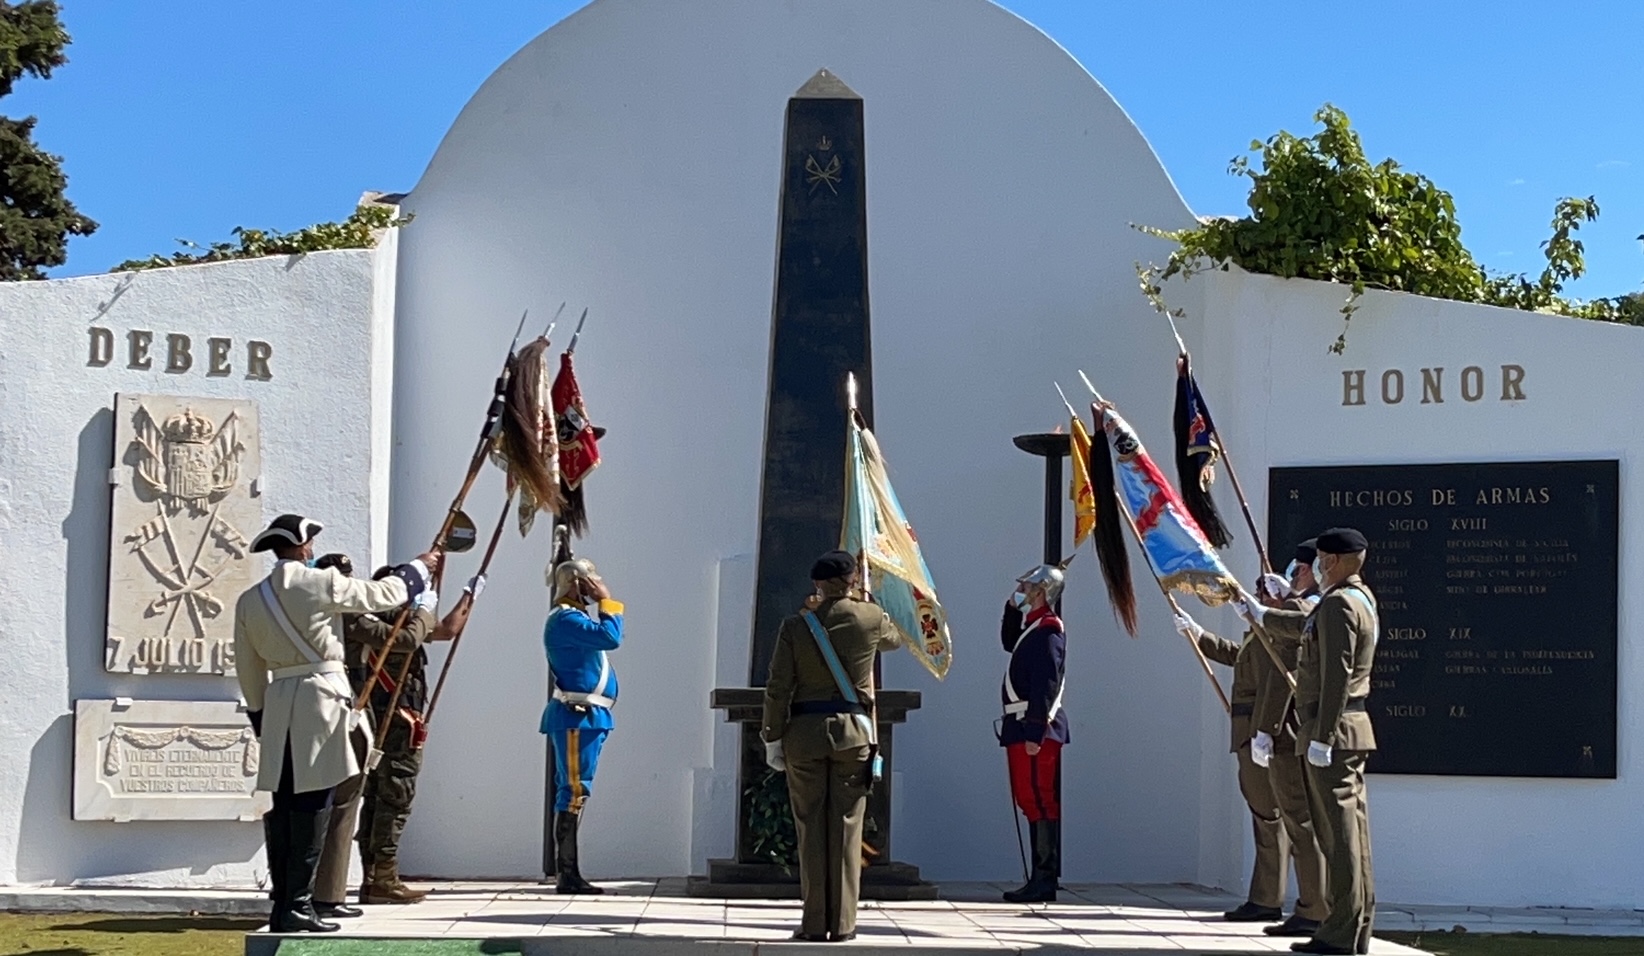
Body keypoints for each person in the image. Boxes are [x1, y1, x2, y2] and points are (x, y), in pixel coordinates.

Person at [234, 514, 438, 934]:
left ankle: (286, 903)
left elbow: (248, 669)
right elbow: (384, 594)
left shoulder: (251, 599)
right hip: (320, 701)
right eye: (309, 543)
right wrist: (419, 568)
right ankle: (298, 905)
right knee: (314, 804)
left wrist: (260, 717)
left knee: (286, 806)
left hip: (278, 702)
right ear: (302, 546)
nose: (312, 549)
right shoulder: (320, 582)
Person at [1173, 539, 1327, 935]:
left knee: (1290, 819)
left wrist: (1266, 731)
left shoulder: (1297, 612)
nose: (1259, 595)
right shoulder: (1266, 627)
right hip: (1252, 731)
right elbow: (1238, 655)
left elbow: (1280, 679)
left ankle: (1307, 905)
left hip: (1272, 732)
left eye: (1267, 589)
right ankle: (1266, 897)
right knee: (1267, 818)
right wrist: (1198, 635)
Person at [1238, 528, 1378, 956]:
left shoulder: (1338, 604)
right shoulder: (1358, 598)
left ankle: (1339, 934)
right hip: (1350, 729)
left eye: (1319, 559)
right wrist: (1263, 614)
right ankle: (1355, 928)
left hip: (1333, 731)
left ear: (1330, 561)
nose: (1316, 567)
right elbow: (1305, 626)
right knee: (1352, 837)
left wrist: (1322, 737)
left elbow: (1336, 675)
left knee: (1338, 838)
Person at [761, 550, 901, 942]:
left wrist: (772, 735)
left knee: (810, 828)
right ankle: (842, 924)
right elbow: (893, 640)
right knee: (847, 828)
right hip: (852, 734)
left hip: (804, 734)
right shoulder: (869, 617)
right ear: (853, 581)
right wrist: (867, 600)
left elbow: (778, 687)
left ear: (817, 584)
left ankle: (813, 922)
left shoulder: (795, 626)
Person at [345, 564, 479, 904]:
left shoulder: (400, 621)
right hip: (393, 722)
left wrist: (469, 595)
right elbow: (412, 638)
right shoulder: (380, 623)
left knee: (378, 798)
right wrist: (424, 607)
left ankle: (374, 876)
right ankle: (383, 877)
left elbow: (446, 630)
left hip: (390, 721)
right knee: (395, 797)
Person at [1252, 540, 1329, 941]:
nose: (1292, 577)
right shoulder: (1308, 607)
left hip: (1290, 727)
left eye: (1297, 570)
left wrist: (1268, 727)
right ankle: (1313, 906)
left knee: (1301, 822)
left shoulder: (1309, 607)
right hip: (1288, 727)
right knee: (1301, 823)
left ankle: (1314, 909)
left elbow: (1284, 676)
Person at [541, 548, 624, 895]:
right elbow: (611, 637)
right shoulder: (565, 620)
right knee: (573, 791)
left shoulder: (575, 619)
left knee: (575, 791)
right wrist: (607, 600)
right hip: (578, 717)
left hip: (590, 717)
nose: (596, 584)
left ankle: (569, 871)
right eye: (590, 580)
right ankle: (567, 873)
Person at [997, 562, 1069, 904]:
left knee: (1040, 799)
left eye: (1027, 588)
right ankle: (1038, 878)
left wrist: (1035, 731)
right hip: (1021, 724)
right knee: (1028, 798)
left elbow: (1046, 684)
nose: (1023, 591)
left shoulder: (1049, 630)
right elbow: (1009, 642)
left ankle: (1044, 878)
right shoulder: (1034, 627)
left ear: (1042, 591)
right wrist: (1011, 608)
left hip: (1034, 725)